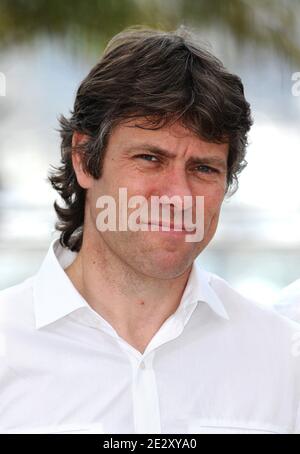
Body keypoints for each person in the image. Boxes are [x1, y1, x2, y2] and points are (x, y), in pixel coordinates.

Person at [0, 26, 299, 435]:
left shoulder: (283, 358)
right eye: (150, 158)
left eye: (204, 168)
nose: (177, 195)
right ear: (85, 161)